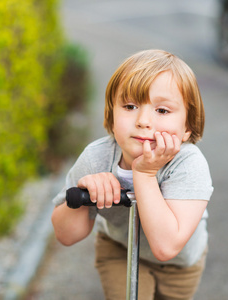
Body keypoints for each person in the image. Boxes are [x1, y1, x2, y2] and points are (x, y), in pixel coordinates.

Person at [51, 49, 213, 300]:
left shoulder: (188, 165)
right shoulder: (98, 158)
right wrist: (84, 195)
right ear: (112, 115)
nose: (143, 121)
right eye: (129, 106)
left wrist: (145, 174)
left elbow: (166, 246)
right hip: (120, 249)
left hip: (180, 266)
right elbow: (66, 236)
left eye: (162, 111)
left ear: (187, 127)